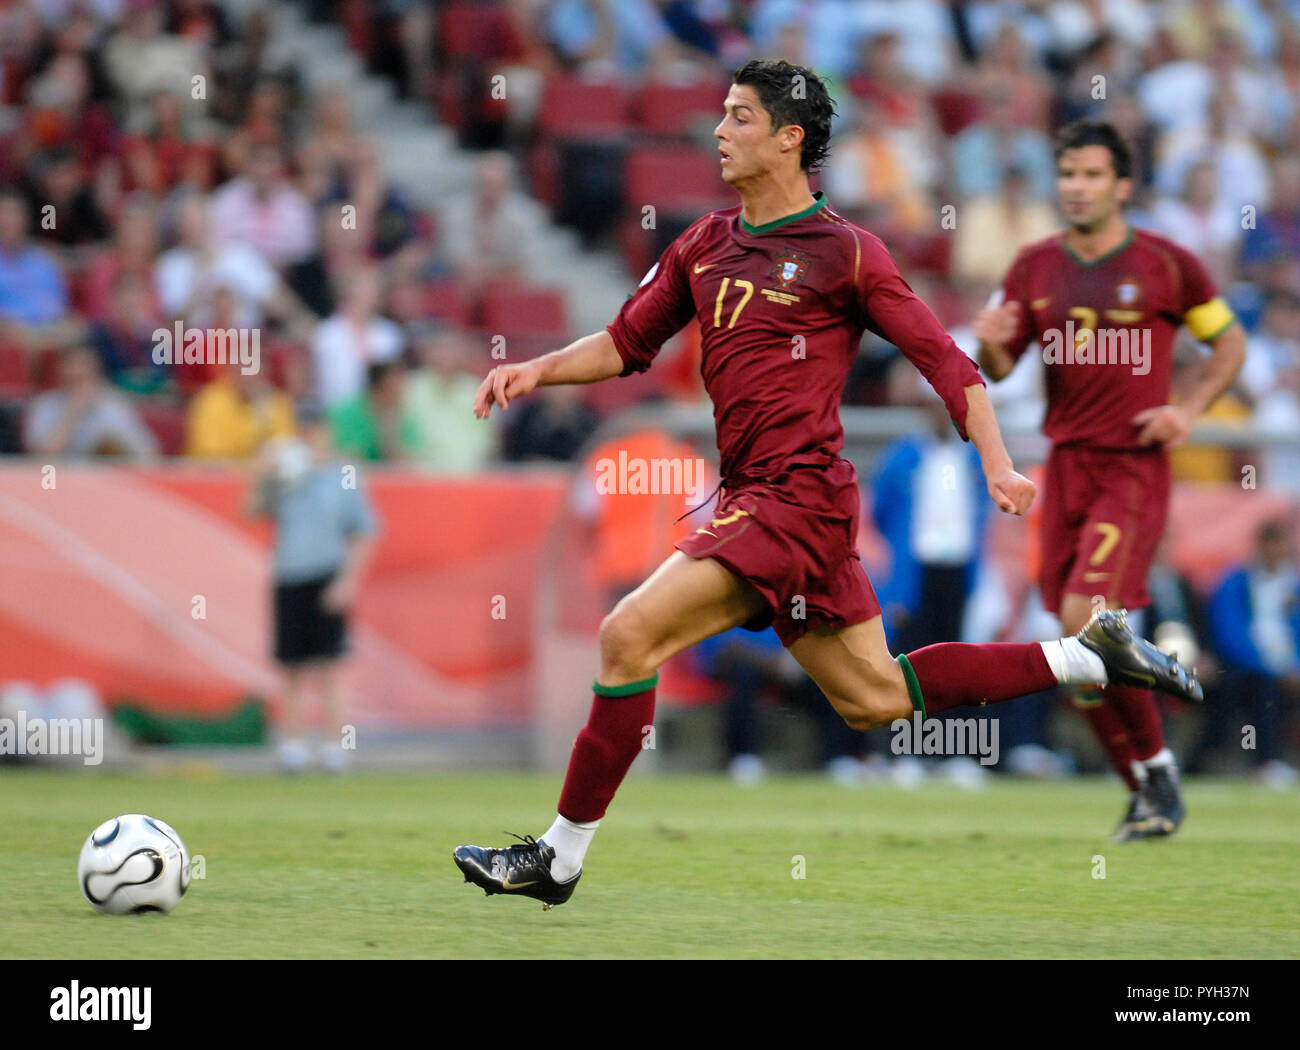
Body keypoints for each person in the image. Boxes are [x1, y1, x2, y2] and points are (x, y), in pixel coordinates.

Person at [454, 61, 1202, 909]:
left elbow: (947, 363)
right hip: (763, 499)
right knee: (875, 698)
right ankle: (1082, 654)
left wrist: (996, 460)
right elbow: (627, 343)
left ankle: (559, 857)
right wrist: (538, 370)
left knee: (628, 635)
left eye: (738, 118)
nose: (718, 133)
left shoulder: (846, 251)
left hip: (795, 499)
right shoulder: (703, 244)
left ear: (789, 138)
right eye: (721, 116)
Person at [974, 120, 1246, 840]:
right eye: (1068, 174)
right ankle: (1147, 787)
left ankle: (1157, 767)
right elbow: (998, 366)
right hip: (1065, 467)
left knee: (1082, 624)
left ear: (1122, 186)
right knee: (1077, 651)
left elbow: (1230, 343)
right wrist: (991, 345)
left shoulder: (1167, 264)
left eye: (1092, 175)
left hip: (1130, 468)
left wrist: (1187, 409)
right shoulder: (1033, 266)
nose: (1077, 187)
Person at [246, 403, 379, 773]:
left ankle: (335, 746)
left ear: (327, 431)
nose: (311, 437)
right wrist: (263, 473)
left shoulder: (343, 475)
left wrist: (348, 581)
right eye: (305, 430)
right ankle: (293, 745)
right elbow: (251, 510)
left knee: (330, 666)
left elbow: (365, 532)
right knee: (291, 666)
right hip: (290, 574)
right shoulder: (287, 474)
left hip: (327, 573)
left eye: (316, 429)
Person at [23, 344, 157, 459]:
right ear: (60, 369)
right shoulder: (44, 404)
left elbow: (148, 454)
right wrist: (72, 413)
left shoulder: (115, 403)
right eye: (71, 365)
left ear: (96, 369)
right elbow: (43, 458)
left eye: (84, 365)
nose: (78, 372)